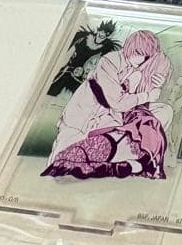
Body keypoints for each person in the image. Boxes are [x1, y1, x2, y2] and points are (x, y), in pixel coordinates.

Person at [43, 29, 173, 180]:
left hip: (108, 119)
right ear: (129, 47)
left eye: (145, 56)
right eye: (138, 53)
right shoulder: (110, 61)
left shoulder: (138, 70)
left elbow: (137, 103)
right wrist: (147, 95)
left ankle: (128, 163)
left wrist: (156, 85)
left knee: (163, 111)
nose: (140, 59)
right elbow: (117, 101)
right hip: (83, 116)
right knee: (56, 167)